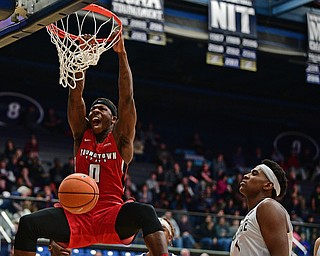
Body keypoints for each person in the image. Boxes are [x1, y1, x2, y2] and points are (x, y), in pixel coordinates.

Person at [14, 34, 168, 256]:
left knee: (145, 211)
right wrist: (81, 56)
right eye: (93, 108)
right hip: (77, 215)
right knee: (28, 224)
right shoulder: (81, 135)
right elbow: (75, 96)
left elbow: (126, 99)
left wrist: (122, 54)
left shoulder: (122, 140)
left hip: (111, 214)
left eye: (102, 109)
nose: (95, 111)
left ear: (114, 120)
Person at [230, 159, 293, 256]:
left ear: (268, 185)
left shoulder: (268, 206)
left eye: (254, 174)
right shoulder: (255, 213)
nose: (246, 175)